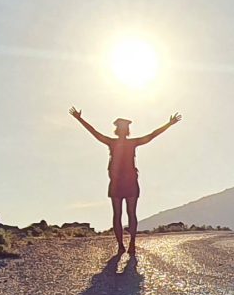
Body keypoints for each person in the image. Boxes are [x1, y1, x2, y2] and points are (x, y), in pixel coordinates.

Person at [71, 107, 179, 253]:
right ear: (127, 131)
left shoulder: (112, 142)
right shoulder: (131, 143)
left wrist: (79, 119)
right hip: (129, 182)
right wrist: (169, 124)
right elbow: (152, 135)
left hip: (117, 183)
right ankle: (131, 243)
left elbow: (94, 132)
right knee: (131, 213)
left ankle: (122, 245)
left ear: (116, 130)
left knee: (118, 214)